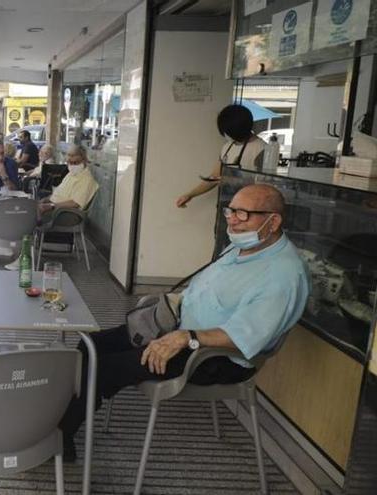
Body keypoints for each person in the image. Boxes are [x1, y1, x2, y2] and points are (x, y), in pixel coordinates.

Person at [59, 184, 309, 461]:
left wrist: (185, 337)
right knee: (89, 345)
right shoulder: (241, 246)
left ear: (273, 221)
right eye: (230, 211)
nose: (232, 219)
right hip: (178, 330)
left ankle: (61, 437)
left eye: (243, 214)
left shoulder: (284, 275)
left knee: (104, 367)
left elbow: (245, 336)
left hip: (214, 357)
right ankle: (67, 416)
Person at [176, 104, 266, 208]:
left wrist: (232, 180)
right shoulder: (228, 147)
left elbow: (264, 185)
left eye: (229, 131)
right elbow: (214, 177)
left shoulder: (261, 149)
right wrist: (190, 195)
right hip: (227, 206)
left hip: (250, 208)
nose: (227, 135)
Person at [38, 145, 99, 218]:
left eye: (75, 163)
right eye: (69, 163)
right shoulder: (71, 174)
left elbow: (75, 203)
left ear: (84, 160)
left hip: (66, 213)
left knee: (30, 215)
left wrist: (51, 206)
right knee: (27, 207)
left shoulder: (87, 179)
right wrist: (46, 199)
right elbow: (59, 193)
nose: (72, 165)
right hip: (54, 206)